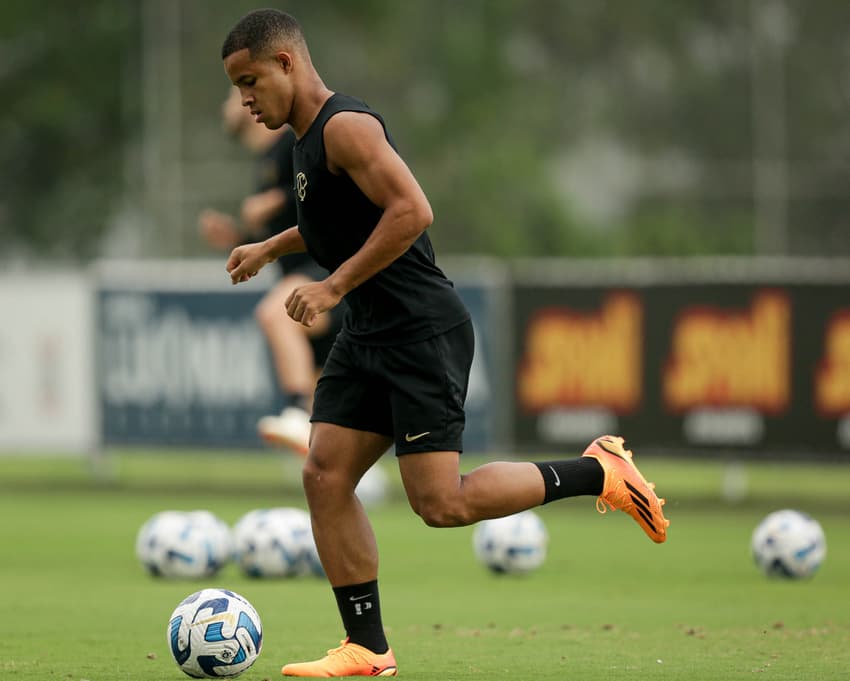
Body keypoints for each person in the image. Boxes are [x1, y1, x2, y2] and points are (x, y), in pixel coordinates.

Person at [220, 9, 669, 678]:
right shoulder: (307, 141)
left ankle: (598, 470)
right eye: (239, 87)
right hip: (372, 331)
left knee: (441, 503)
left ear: (287, 62)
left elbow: (412, 210)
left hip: (419, 330)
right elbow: (338, 222)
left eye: (250, 81)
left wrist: (333, 287)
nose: (246, 100)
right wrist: (271, 245)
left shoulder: (345, 127)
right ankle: (367, 648)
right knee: (324, 473)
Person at [198, 86, 343, 455]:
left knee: (275, 315)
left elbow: (328, 191)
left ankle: (295, 409)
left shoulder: (290, 145)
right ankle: (358, 478)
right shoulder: (266, 162)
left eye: (233, 95)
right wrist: (238, 235)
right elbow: (287, 232)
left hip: (335, 276)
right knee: (330, 435)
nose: (227, 106)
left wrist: (276, 199)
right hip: (314, 279)